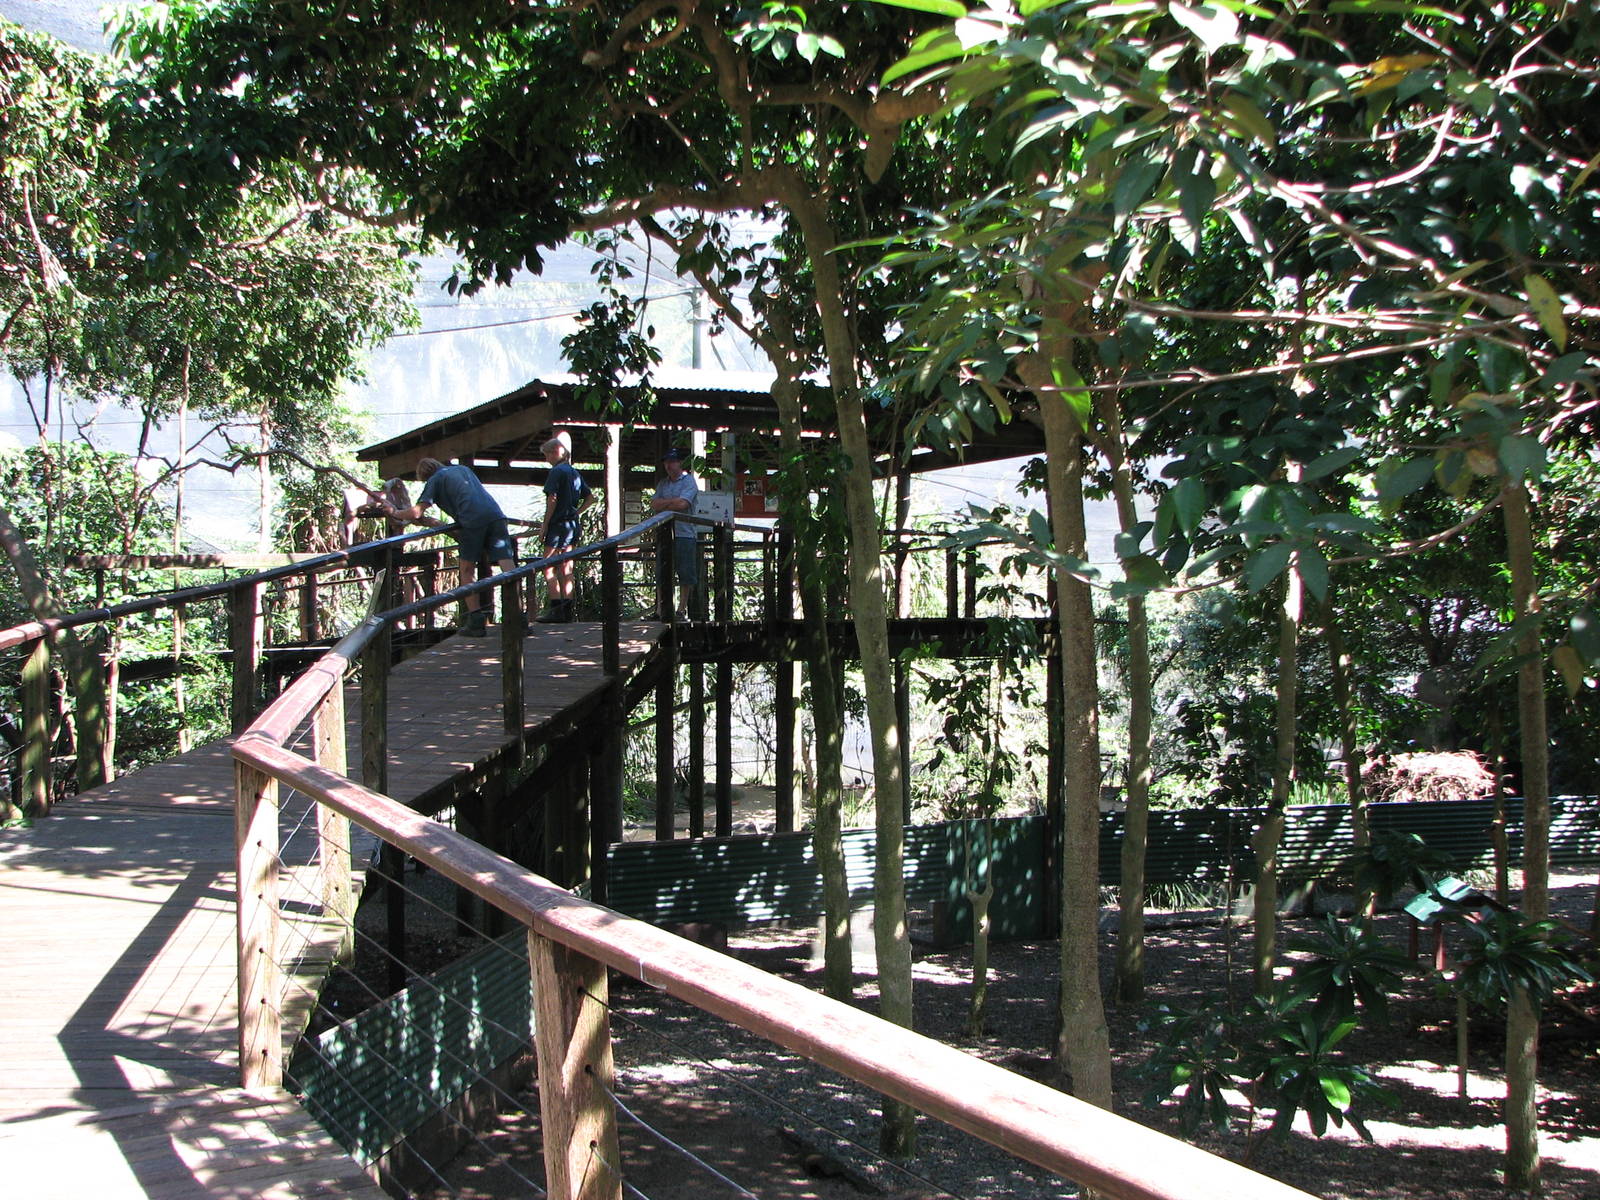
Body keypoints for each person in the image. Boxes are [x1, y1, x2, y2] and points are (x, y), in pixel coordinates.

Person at [383, 456, 516, 637]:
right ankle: (518, 617)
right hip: (496, 516)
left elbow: (416, 512)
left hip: (472, 520)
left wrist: (394, 512)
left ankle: (476, 620)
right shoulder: (463, 470)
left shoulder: (435, 480)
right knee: (507, 565)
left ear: (425, 475)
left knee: (467, 569)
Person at [537, 432, 594, 623]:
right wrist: (576, 513)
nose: (546, 460)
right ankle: (567, 611)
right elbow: (591, 497)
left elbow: (552, 498)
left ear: (554, 452)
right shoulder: (574, 472)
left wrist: (545, 524)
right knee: (566, 567)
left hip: (557, 525)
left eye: (546, 455)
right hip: (571, 525)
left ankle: (556, 609)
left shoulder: (556, 472)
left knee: (548, 566)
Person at [650, 446, 703, 619]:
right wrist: (673, 503)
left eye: (672, 461)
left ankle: (681, 609)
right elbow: (654, 504)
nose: (668, 465)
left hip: (685, 534)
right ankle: (660, 610)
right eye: (666, 462)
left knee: (685, 572)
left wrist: (665, 503)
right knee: (661, 573)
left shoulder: (689, 482)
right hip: (665, 535)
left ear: (681, 463)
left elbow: (683, 505)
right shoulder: (663, 483)